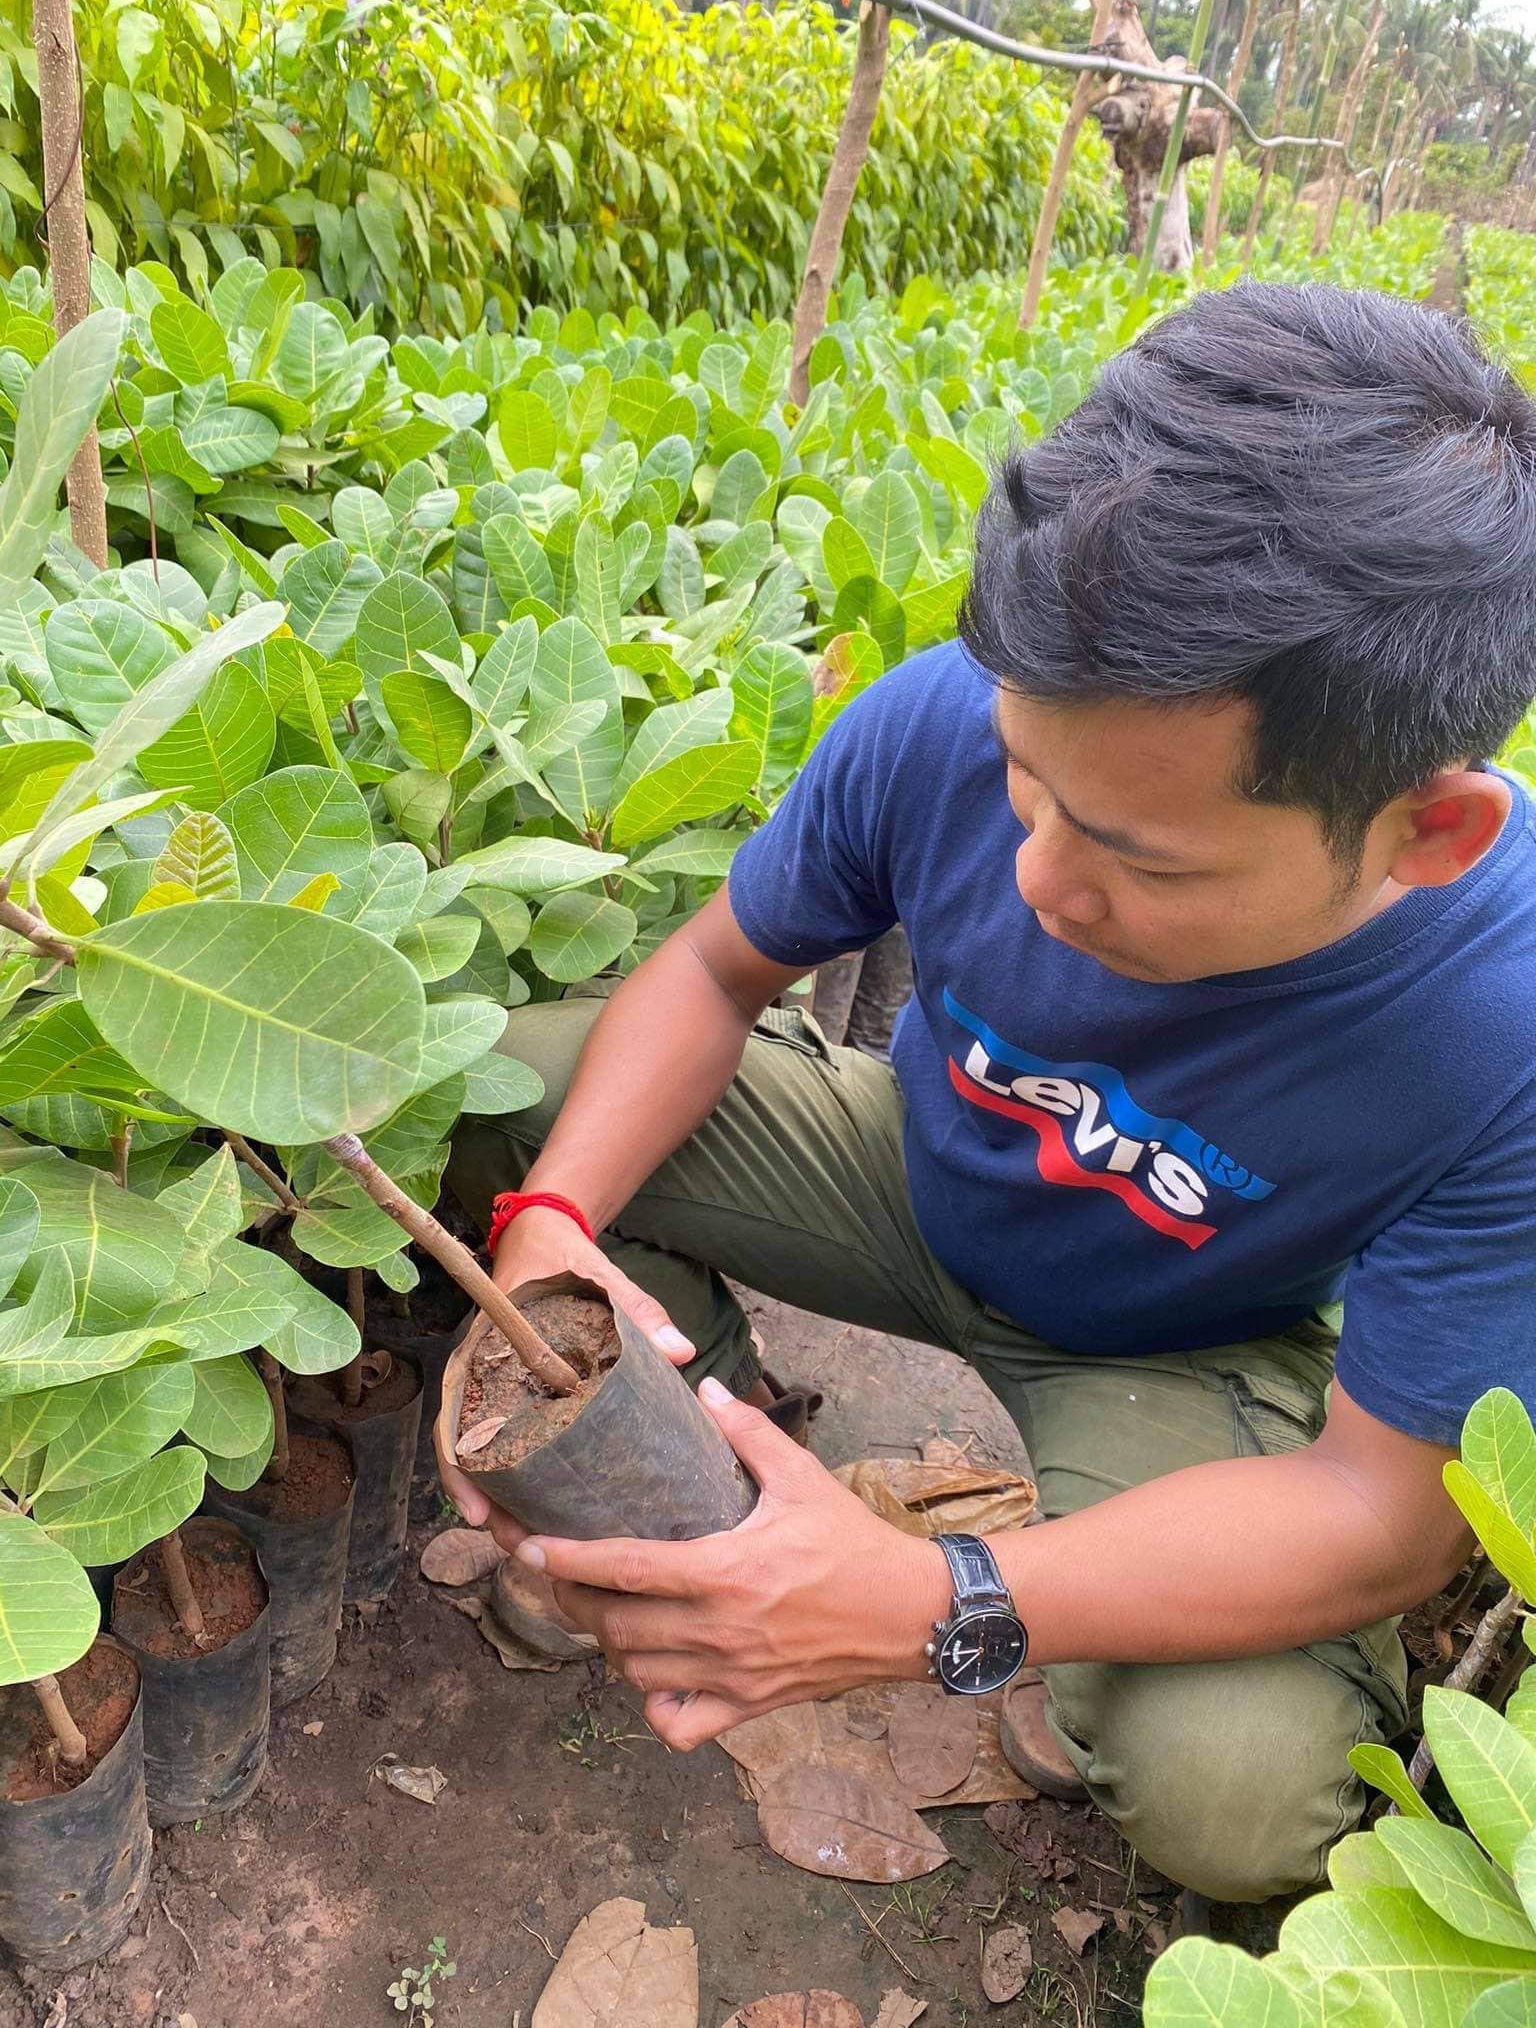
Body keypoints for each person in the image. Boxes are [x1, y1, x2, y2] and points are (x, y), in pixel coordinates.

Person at [444, 279, 1536, 1904]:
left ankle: (1002, 1619)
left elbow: (1383, 1517)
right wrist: (547, 1229)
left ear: (1425, 832)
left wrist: (936, 1602)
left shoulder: (1506, 1029)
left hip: (1180, 1341)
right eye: (1027, 785)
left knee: (1238, 1798)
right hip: (910, 1170)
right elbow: (713, 975)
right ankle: (715, 1502)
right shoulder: (955, 715)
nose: (1036, 878)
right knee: (515, 1092)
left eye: (1142, 859)